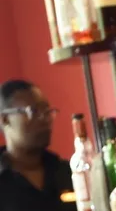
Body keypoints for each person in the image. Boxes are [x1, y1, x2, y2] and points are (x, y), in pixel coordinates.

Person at [0, 79, 75, 211]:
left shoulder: (68, 172)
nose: (44, 119)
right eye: (33, 111)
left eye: (47, 111)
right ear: (5, 120)